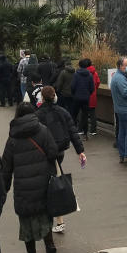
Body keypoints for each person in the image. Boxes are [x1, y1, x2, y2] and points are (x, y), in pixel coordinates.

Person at [2, 103, 59, 253]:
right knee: (44, 216)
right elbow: (53, 152)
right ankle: (50, 246)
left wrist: (4, 187)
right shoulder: (43, 130)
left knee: (26, 221)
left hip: (23, 188)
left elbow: (6, 166)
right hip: (43, 183)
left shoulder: (13, 137)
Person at [36, 86, 86, 233]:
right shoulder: (62, 112)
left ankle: (57, 218)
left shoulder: (38, 115)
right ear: (55, 96)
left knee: (50, 183)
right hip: (60, 151)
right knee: (55, 179)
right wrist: (80, 151)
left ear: (42, 98)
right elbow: (72, 131)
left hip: (45, 153)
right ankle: (59, 220)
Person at [71, 59, 95, 137]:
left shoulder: (76, 74)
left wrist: (74, 94)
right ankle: (85, 134)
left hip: (77, 98)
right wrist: (88, 94)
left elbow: (73, 86)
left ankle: (73, 132)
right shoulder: (90, 75)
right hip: (86, 98)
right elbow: (92, 88)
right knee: (85, 116)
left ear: (79, 65)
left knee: (74, 115)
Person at [86, 59, 101, 136]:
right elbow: (98, 82)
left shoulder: (83, 72)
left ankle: (82, 129)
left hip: (85, 95)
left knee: (83, 113)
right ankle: (93, 130)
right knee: (92, 114)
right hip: (93, 95)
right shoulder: (95, 73)